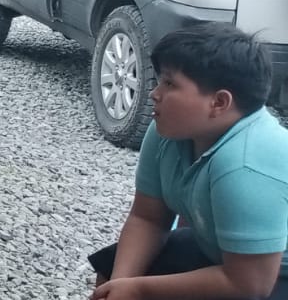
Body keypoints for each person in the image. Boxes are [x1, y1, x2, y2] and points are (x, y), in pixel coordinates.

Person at [88, 22, 288, 300]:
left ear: (219, 102)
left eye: (170, 84)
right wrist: (121, 285)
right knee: (110, 269)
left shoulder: (247, 165)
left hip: (268, 273)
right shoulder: (168, 131)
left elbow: (250, 285)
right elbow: (148, 218)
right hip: (219, 252)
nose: (155, 93)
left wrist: (139, 289)